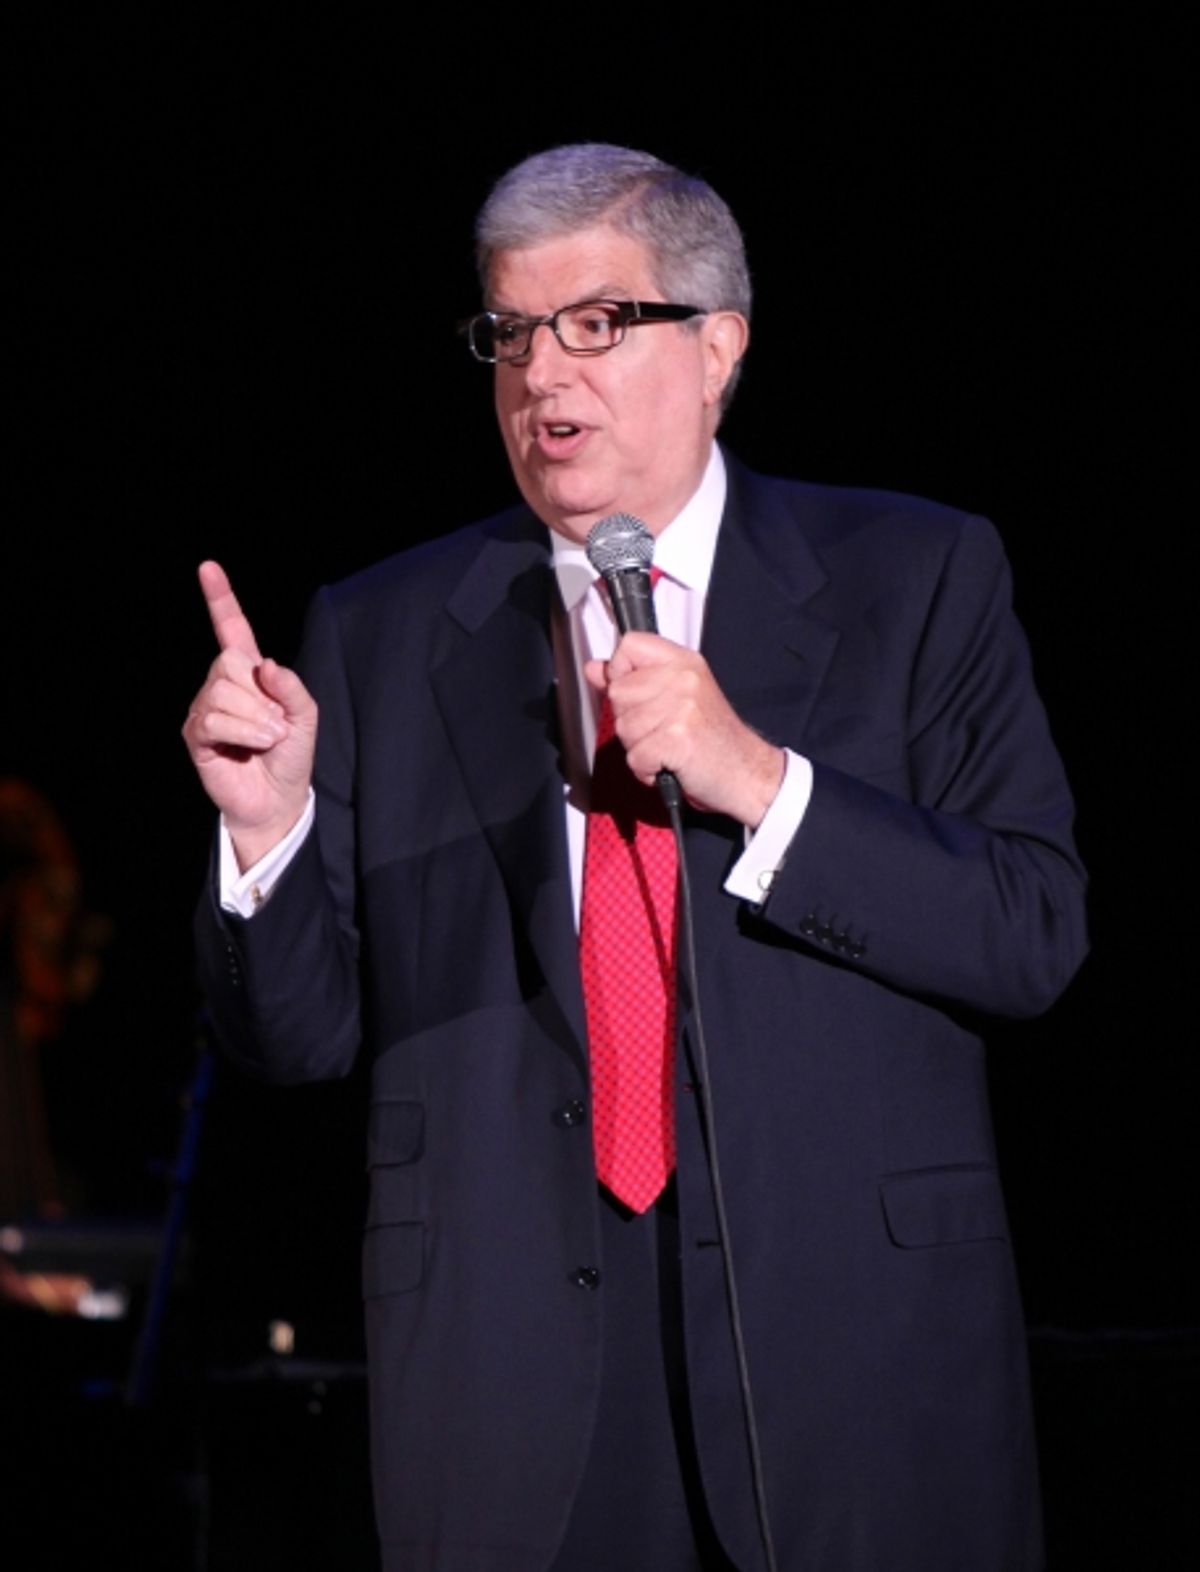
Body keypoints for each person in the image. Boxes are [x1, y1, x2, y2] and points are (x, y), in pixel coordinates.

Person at [184, 144, 1088, 1572]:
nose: (546, 376)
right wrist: (265, 830)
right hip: (509, 1382)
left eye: (598, 324)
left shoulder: (915, 576)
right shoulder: (389, 628)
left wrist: (757, 780)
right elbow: (294, 1042)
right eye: (511, 332)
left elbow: (1032, 932)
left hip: (850, 1353)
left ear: (718, 344)